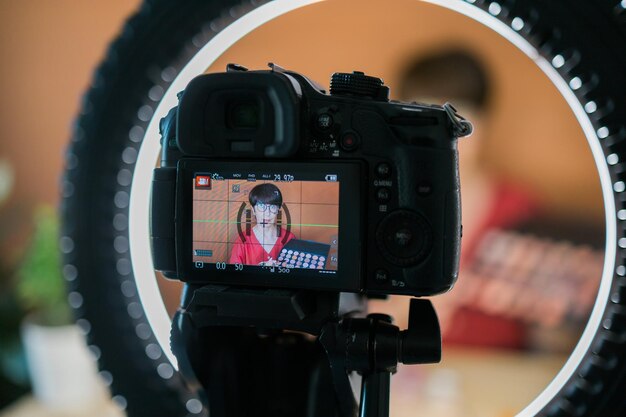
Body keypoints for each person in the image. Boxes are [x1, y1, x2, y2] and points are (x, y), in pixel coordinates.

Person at [370, 48, 603, 351]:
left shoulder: (522, 211)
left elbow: (551, 342)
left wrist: (560, 313)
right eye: (426, 124)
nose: (442, 141)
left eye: (458, 126)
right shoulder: (386, 205)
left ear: (485, 124)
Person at [229, 183, 296, 266]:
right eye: (261, 206)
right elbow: (233, 276)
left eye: (272, 207)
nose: (267, 214)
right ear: (253, 210)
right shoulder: (242, 240)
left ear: (278, 210)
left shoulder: (290, 238)